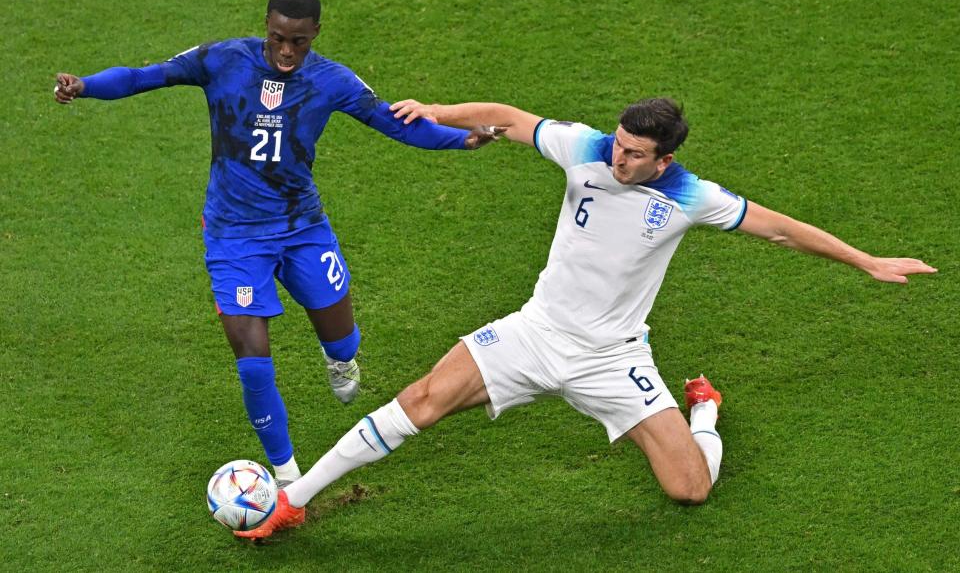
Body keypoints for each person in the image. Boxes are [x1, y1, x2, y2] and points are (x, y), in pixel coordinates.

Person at [234, 96, 937, 539]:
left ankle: (706, 416)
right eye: (620, 144)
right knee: (421, 399)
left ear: (666, 160)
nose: (619, 156)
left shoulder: (693, 196)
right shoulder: (587, 146)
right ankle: (293, 500)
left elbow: (782, 229)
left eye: (636, 153)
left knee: (689, 490)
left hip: (613, 359)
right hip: (536, 332)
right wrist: (436, 110)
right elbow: (508, 120)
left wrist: (868, 261)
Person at [52, 0, 500, 486]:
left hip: (301, 228)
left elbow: (393, 122)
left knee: (343, 338)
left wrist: (461, 139)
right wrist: (85, 85)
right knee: (252, 361)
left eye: (299, 42)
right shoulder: (221, 59)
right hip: (233, 236)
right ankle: (286, 478)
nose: (287, 51)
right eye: (278, 38)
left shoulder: (333, 80)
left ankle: (340, 360)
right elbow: (143, 76)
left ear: (315, 35)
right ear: (266, 26)